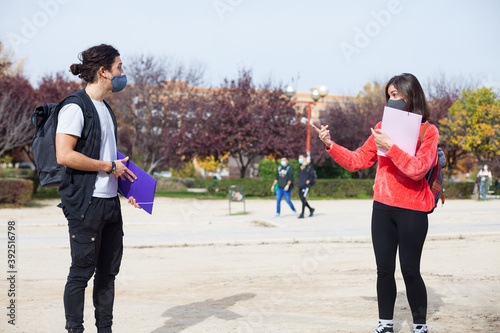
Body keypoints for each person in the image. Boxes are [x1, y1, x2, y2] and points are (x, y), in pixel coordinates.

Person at [313, 73, 437, 333]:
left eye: (396, 95)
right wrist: (330, 144)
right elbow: (356, 161)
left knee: (411, 271)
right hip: (382, 208)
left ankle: (420, 327)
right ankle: (385, 324)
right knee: (384, 271)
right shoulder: (382, 127)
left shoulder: (428, 131)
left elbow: (417, 169)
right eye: (389, 95)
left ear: (411, 95)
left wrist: (390, 147)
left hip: (413, 210)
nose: (391, 99)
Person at [55, 44, 140, 333]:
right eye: (119, 67)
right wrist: (107, 166)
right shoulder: (75, 107)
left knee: (107, 274)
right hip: (85, 204)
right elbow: (64, 155)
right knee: (81, 273)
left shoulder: (107, 110)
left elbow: (111, 160)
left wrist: (133, 192)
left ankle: (105, 329)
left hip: (110, 205)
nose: (122, 73)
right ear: (103, 72)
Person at [297, 154, 315, 218]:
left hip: (306, 185)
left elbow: (312, 175)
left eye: (301, 157)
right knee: (302, 199)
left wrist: (309, 180)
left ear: (304, 158)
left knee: (303, 198)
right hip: (301, 185)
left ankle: (302, 213)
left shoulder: (309, 166)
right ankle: (311, 209)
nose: (300, 159)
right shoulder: (300, 167)